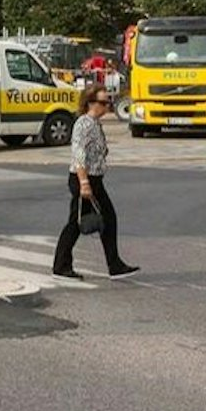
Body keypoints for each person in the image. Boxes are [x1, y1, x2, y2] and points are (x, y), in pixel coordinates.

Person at [52, 85, 140, 279]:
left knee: (89, 220)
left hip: (93, 179)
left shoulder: (95, 123)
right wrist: (84, 183)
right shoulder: (84, 124)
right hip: (85, 179)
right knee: (85, 221)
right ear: (91, 103)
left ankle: (109, 265)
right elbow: (78, 155)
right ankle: (63, 266)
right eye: (103, 102)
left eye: (108, 102)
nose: (107, 106)